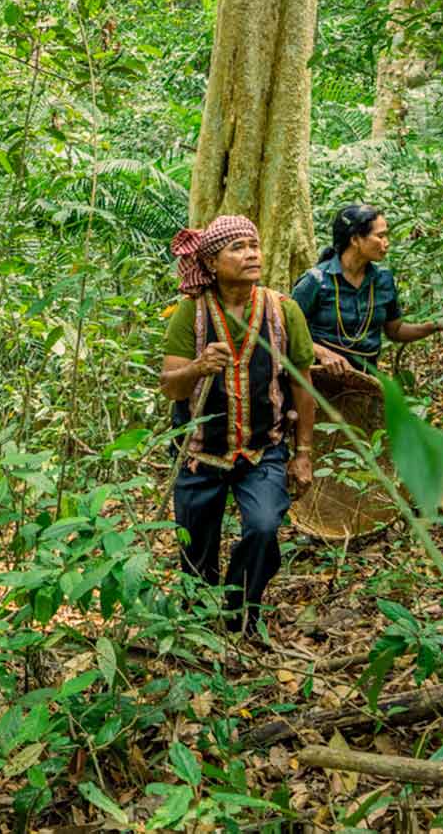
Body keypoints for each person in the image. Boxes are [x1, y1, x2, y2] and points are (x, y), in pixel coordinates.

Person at [158, 215, 317, 640]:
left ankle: (242, 610)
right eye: (238, 248)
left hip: (263, 449)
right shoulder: (190, 313)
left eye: (254, 245)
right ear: (211, 263)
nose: (251, 255)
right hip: (200, 454)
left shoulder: (283, 310)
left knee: (264, 528)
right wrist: (197, 367)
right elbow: (171, 387)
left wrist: (303, 453)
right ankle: (194, 631)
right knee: (196, 551)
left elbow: (303, 385)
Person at [290, 203, 443, 373]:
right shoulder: (316, 280)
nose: (386, 243)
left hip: (367, 378)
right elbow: (286, 331)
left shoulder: (383, 280)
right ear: (355, 239)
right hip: (319, 376)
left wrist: (433, 327)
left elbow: (395, 331)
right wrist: (322, 353)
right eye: (380, 236)